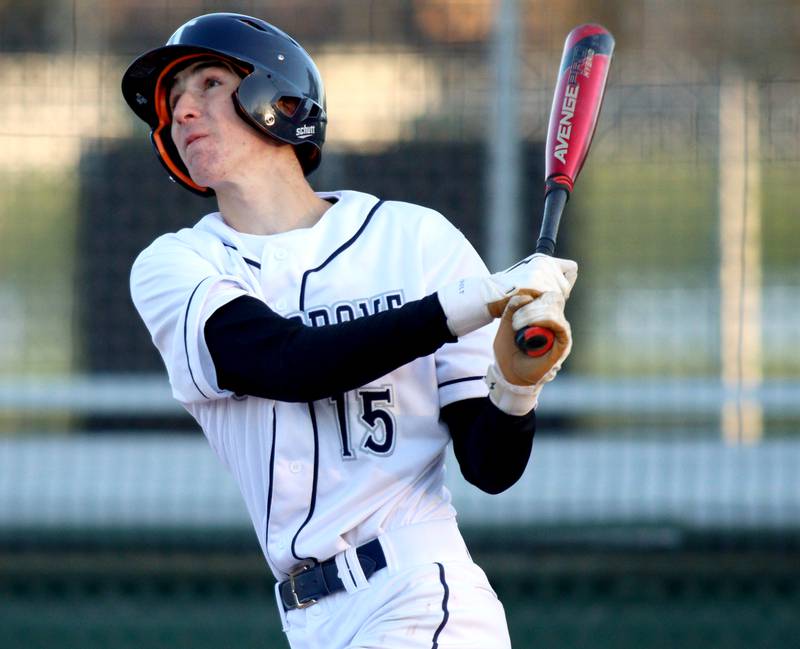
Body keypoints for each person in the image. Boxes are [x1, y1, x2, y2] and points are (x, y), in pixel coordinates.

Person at [122, 12, 577, 649]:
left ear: (275, 98)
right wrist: (469, 303)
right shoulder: (177, 265)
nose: (183, 111)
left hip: (419, 592)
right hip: (311, 619)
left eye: (207, 84)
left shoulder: (414, 237)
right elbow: (289, 363)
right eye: (171, 103)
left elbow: (490, 465)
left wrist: (517, 388)